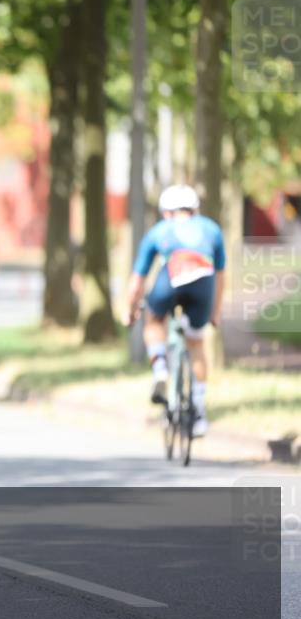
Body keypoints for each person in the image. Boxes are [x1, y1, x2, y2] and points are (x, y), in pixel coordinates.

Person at [122, 184, 226, 438]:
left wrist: (130, 309)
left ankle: (160, 367)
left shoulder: (160, 230)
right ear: (195, 210)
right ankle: (199, 413)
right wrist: (215, 312)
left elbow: (137, 281)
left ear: (166, 212)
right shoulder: (212, 229)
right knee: (196, 343)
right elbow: (220, 276)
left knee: (154, 319)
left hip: (171, 277)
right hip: (203, 282)